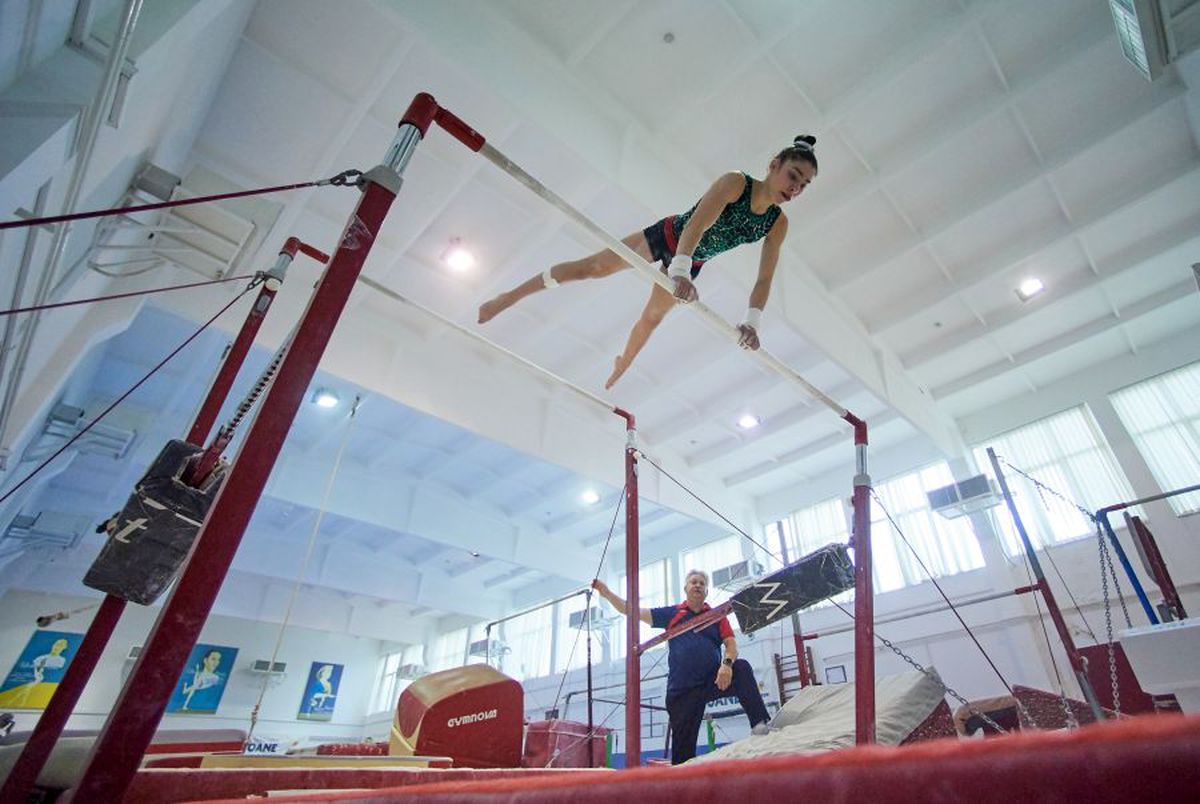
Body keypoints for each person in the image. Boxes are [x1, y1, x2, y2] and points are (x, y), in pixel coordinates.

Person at [478, 136, 819, 388]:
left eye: (804, 185)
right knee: (591, 269)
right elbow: (698, 224)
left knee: (652, 319)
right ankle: (508, 297)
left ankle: (623, 361)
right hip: (671, 237)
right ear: (773, 165)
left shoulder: (777, 223)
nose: (796, 189)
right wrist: (680, 271)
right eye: (793, 176)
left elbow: (764, 280)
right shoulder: (736, 182)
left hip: (693, 261)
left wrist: (752, 323)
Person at [592, 569, 771, 764]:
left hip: (711, 680)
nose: (698, 585)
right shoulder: (672, 614)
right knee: (683, 757)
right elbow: (633, 612)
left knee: (742, 668)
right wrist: (607, 593)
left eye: (702, 583)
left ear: (706, 591)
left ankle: (760, 724)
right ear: (686, 588)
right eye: (694, 582)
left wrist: (727, 665)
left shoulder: (716, 616)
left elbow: (731, 645)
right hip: (683, 691)